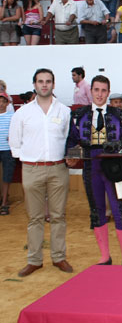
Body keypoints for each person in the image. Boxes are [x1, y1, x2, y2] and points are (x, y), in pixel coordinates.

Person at [9, 68, 73, 277]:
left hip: (58, 169)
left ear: (53, 84)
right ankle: (34, 260)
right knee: (34, 218)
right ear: (34, 85)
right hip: (32, 169)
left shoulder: (64, 111)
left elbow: (67, 139)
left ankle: (59, 257)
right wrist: (27, 159)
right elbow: (14, 141)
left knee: (58, 216)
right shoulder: (22, 113)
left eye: (48, 81)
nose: (44, 85)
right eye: (40, 81)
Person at [66, 75, 122, 266]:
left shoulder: (119, 115)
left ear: (108, 93)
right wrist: (71, 155)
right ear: (91, 91)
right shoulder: (79, 115)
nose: (100, 94)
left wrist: (114, 148)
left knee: (120, 210)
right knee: (97, 210)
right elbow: (72, 140)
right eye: (96, 90)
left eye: (104, 91)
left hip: (114, 167)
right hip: (91, 166)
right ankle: (105, 256)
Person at [0, 92, 15, 215]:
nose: (0, 103)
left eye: (3, 101)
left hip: (8, 150)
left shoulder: (12, 116)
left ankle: (4, 203)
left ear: (7, 103)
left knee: (7, 177)